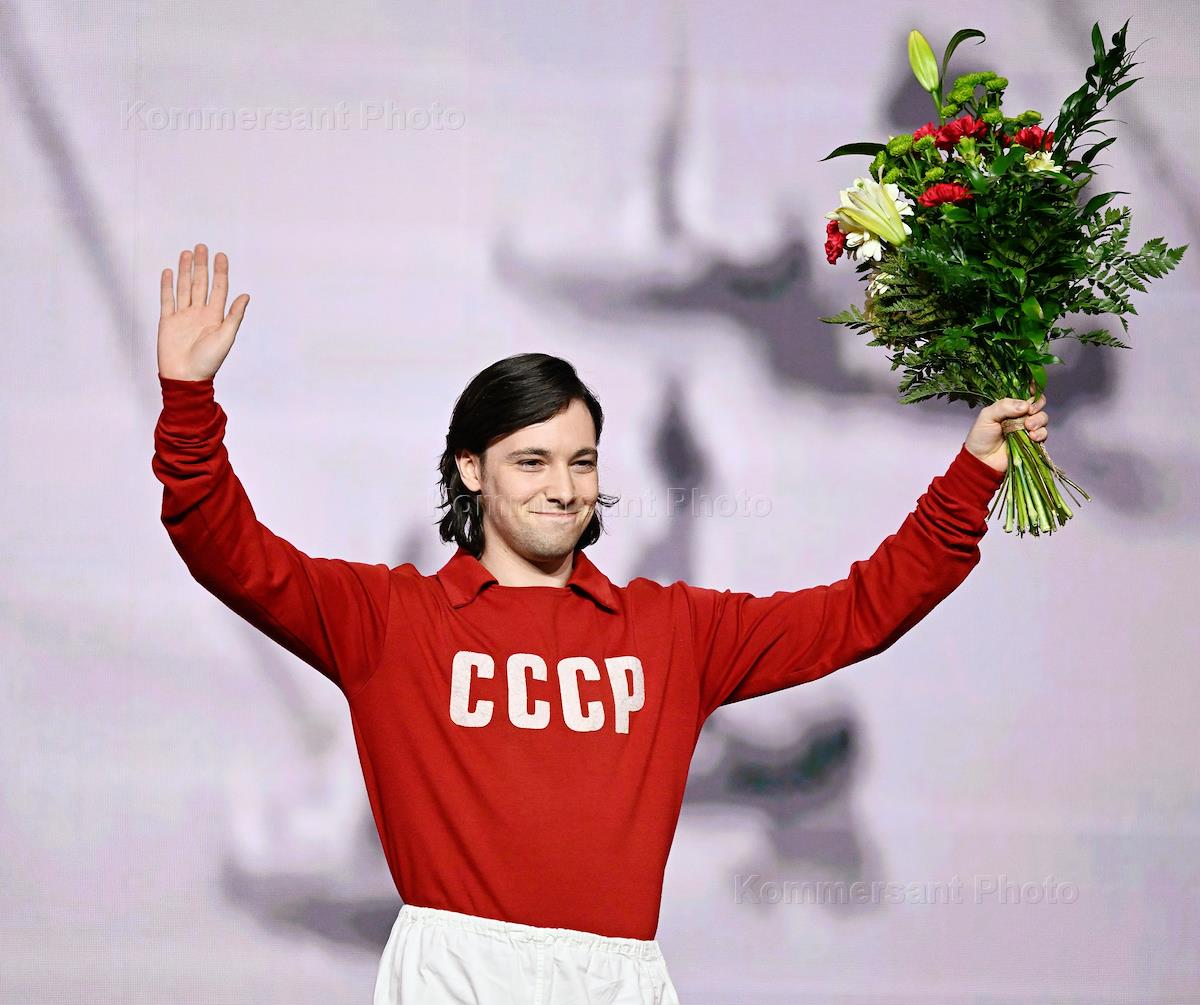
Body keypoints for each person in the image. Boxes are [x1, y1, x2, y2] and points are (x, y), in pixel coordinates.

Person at [153, 243, 1050, 1004]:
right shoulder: (396, 620)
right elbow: (230, 552)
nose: (563, 486)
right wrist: (189, 401)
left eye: (581, 461)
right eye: (532, 461)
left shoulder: (668, 632)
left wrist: (971, 476)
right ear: (471, 471)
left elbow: (862, 610)